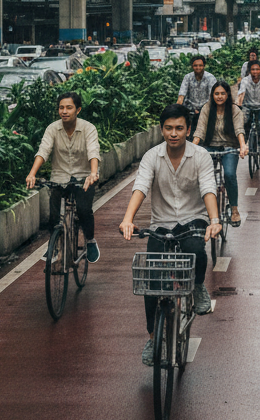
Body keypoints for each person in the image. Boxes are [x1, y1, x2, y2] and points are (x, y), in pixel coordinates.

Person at [119, 105, 223, 365]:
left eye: (179, 128)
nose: (173, 133)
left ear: (188, 129)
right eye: (168, 128)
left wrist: (214, 220)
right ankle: (153, 337)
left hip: (193, 219)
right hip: (161, 224)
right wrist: (128, 219)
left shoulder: (201, 156)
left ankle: (197, 286)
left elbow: (208, 188)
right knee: (150, 279)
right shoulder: (152, 156)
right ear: (161, 129)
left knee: (196, 249)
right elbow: (141, 186)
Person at [25, 92, 102, 263]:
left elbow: (93, 151)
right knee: (53, 215)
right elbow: (43, 151)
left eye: (69, 107)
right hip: (59, 177)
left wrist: (93, 173)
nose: (64, 111)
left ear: (78, 110)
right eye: (61, 108)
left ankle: (90, 240)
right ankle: (53, 245)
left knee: (84, 210)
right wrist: (32, 173)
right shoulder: (52, 129)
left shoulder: (88, 128)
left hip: (84, 178)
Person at [193, 80, 247, 225]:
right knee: (202, 174)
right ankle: (200, 207)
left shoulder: (235, 110)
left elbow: (239, 130)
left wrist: (242, 146)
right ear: (212, 95)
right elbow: (200, 131)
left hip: (229, 147)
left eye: (223, 93)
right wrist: (191, 148)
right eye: (216, 93)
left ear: (228, 94)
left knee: (229, 174)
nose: (219, 96)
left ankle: (234, 209)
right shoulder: (207, 108)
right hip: (210, 147)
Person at [177, 55, 217, 133]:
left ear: (204, 66)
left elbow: (212, 96)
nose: (198, 68)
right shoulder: (187, 77)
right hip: (189, 108)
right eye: (195, 65)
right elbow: (181, 95)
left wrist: (204, 109)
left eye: (200, 65)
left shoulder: (210, 78)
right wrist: (176, 110)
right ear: (192, 66)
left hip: (205, 108)